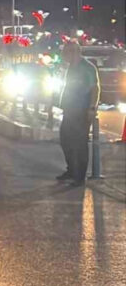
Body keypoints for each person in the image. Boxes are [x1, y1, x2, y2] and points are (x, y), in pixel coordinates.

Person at [57, 40, 100, 186]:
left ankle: (79, 176)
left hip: (82, 110)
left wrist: (92, 107)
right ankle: (71, 169)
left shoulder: (87, 67)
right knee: (65, 140)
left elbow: (95, 88)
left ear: (76, 52)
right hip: (70, 109)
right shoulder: (71, 67)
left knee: (80, 143)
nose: (65, 55)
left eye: (68, 52)